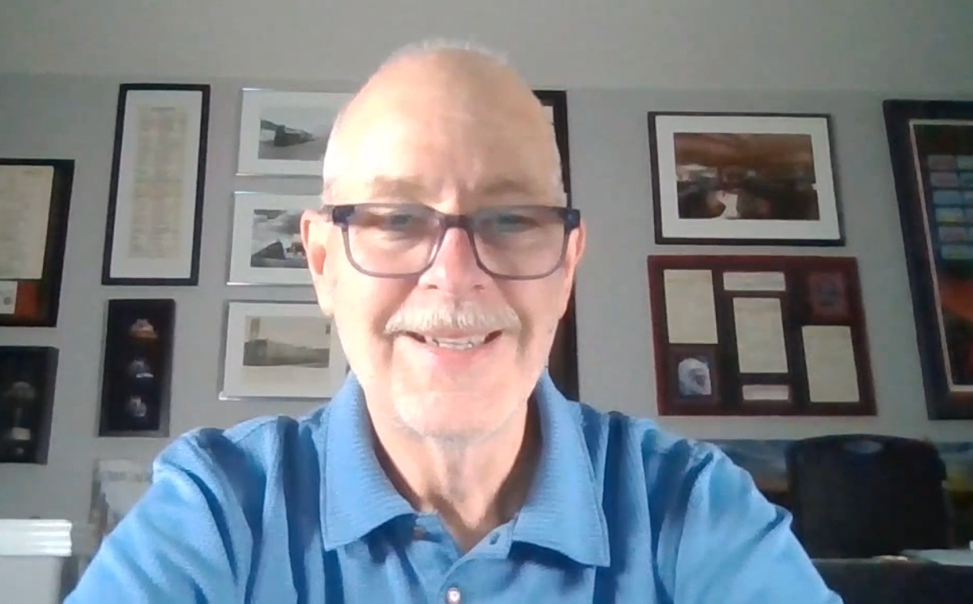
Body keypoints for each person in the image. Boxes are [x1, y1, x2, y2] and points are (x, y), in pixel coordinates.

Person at [66, 39, 842, 603]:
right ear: (323, 264)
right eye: (398, 219)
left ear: (567, 264)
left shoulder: (694, 509)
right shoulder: (217, 510)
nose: (455, 270)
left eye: (509, 218)